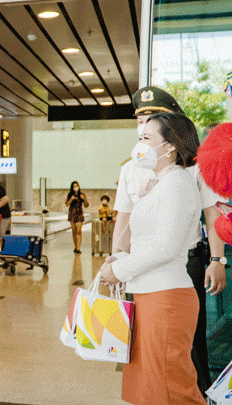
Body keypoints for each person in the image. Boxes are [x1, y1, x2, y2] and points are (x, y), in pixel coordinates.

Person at [111, 86, 226, 395]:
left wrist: (218, 259)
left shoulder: (192, 169)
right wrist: (116, 263)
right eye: (140, 121)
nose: (142, 127)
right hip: (141, 272)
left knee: (183, 356)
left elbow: (212, 213)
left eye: (152, 119)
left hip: (183, 265)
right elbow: (124, 219)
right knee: (150, 358)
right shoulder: (130, 169)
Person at [100, 112, 205, 404]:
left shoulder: (177, 184)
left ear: (170, 146)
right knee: (152, 389)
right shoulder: (162, 183)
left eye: (146, 138)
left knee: (171, 389)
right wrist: (119, 258)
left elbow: (165, 247)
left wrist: (119, 270)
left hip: (166, 299)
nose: (139, 146)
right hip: (151, 296)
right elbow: (148, 239)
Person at [65, 181, 88, 254]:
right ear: (72, 188)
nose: (76, 187)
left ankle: (78, 248)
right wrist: (71, 199)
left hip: (79, 214)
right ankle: (75, 247)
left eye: (77, 186)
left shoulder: (82, 194)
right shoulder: (70, 195)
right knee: (74, 231)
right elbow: (67, 204)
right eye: (74, 186)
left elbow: (86, 205)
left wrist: (84, 199)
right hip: (72, 214)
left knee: (79, 231)